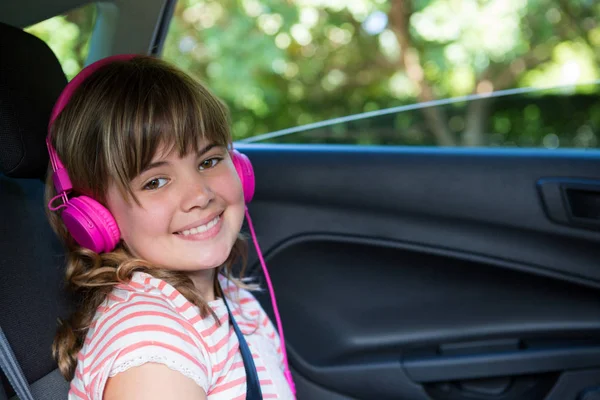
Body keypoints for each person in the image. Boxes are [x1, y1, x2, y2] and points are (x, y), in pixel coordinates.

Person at [45, 54, 295, 399]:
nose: (199, 195)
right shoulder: (152, 345)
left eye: (209, 161)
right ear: (95, 216)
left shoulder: (228, 294)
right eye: (155, 182)